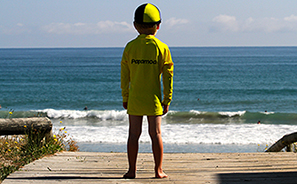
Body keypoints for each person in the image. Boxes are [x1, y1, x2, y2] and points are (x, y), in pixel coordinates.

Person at [121, 3, 174, 179]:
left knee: (133, 134)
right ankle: (158, 170)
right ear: (158, 26)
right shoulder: (162, 47)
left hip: (135, 98)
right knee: (156, 134)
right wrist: (167, 99)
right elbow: (168, 76)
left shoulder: (129, 47)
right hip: (154, 99)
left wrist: (125, 96)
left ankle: (131, 170)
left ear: (135, 25)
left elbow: (125, 75)